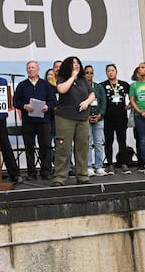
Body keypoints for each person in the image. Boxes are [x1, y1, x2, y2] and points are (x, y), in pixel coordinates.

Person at [52, 57, 94, 186]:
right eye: (73, 63)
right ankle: (60, 177)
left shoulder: (83, 80)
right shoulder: (62, 78)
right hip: (65, 117)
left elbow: (92, 94)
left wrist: (87, 102)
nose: (76, 65)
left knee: (82, 147)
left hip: (82, 118)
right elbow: (62, 89)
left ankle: (82, 175)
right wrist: (72, 76)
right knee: (63, 147)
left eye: (77, 63)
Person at [13, 61, 56, 181]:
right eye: (28, 68)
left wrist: (48, 106)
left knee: (45, 147)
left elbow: (53, 101)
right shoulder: (22, 85)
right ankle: (31, 173)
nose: (31, 70)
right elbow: (16, 101)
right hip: (28, 121)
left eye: (33, 67)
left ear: (38, 69)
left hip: (44, 120)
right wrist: (24, 106)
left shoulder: (45, 85)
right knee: (29, 148)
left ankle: (46, 171)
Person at [100, 64, 131, 175]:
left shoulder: (124, 84)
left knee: (122, 140)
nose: (111, 73)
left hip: (121, 117)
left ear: (116, 71)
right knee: (108, 141)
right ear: (106, 73)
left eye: (112, 70)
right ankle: (110, 164)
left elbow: (133, 95)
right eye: (108, 71)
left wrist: (130, 104)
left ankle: (124, 163)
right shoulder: (102, 85)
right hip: (108, 118)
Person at [84, 65, 106, 176]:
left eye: (91, 73)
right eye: (87, 73)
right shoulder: (81, 87)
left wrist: (99, 115)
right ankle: (88, 166)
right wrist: (87, 116)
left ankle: (99, 166)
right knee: (87, 144)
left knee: (98, 143)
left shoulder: (98, 87)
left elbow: (103, 102)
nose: (89, 75)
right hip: (85, 119)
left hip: (99, 118)